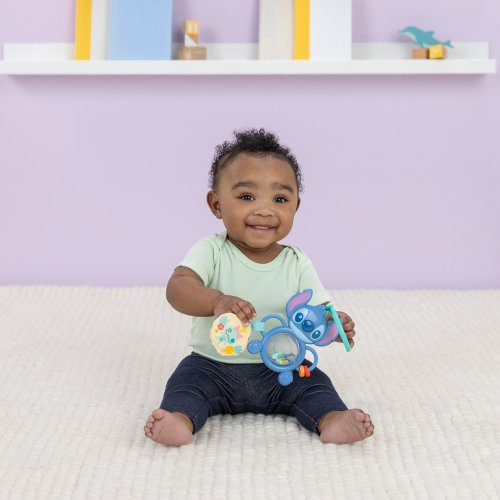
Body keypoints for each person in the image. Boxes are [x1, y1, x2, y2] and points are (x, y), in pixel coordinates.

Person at [144, 128, 374, 446]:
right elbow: (178, 287)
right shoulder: (211, 250)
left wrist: (334, 326)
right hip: (213, 365)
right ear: (216, 204)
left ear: (295, 207)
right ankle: (180, 420)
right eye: (246, 197)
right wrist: (216, 301)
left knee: (314, 384)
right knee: (186, 384)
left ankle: (332, 419)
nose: (264, 210)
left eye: (279, 199)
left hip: (282, 367)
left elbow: (319, 313)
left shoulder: (297, 261)